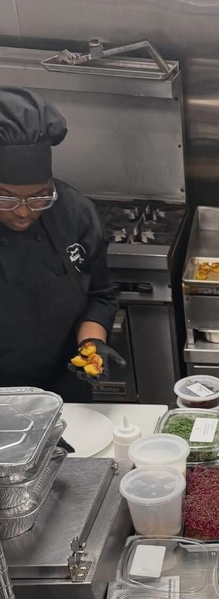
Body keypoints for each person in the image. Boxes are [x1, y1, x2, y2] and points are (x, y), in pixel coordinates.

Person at [0, 87, 120, 401]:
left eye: (39, 196)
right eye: (6, 198)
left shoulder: (75, 213)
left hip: (63, 382)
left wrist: (91, 346)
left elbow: (100, 296)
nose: (23, 212)